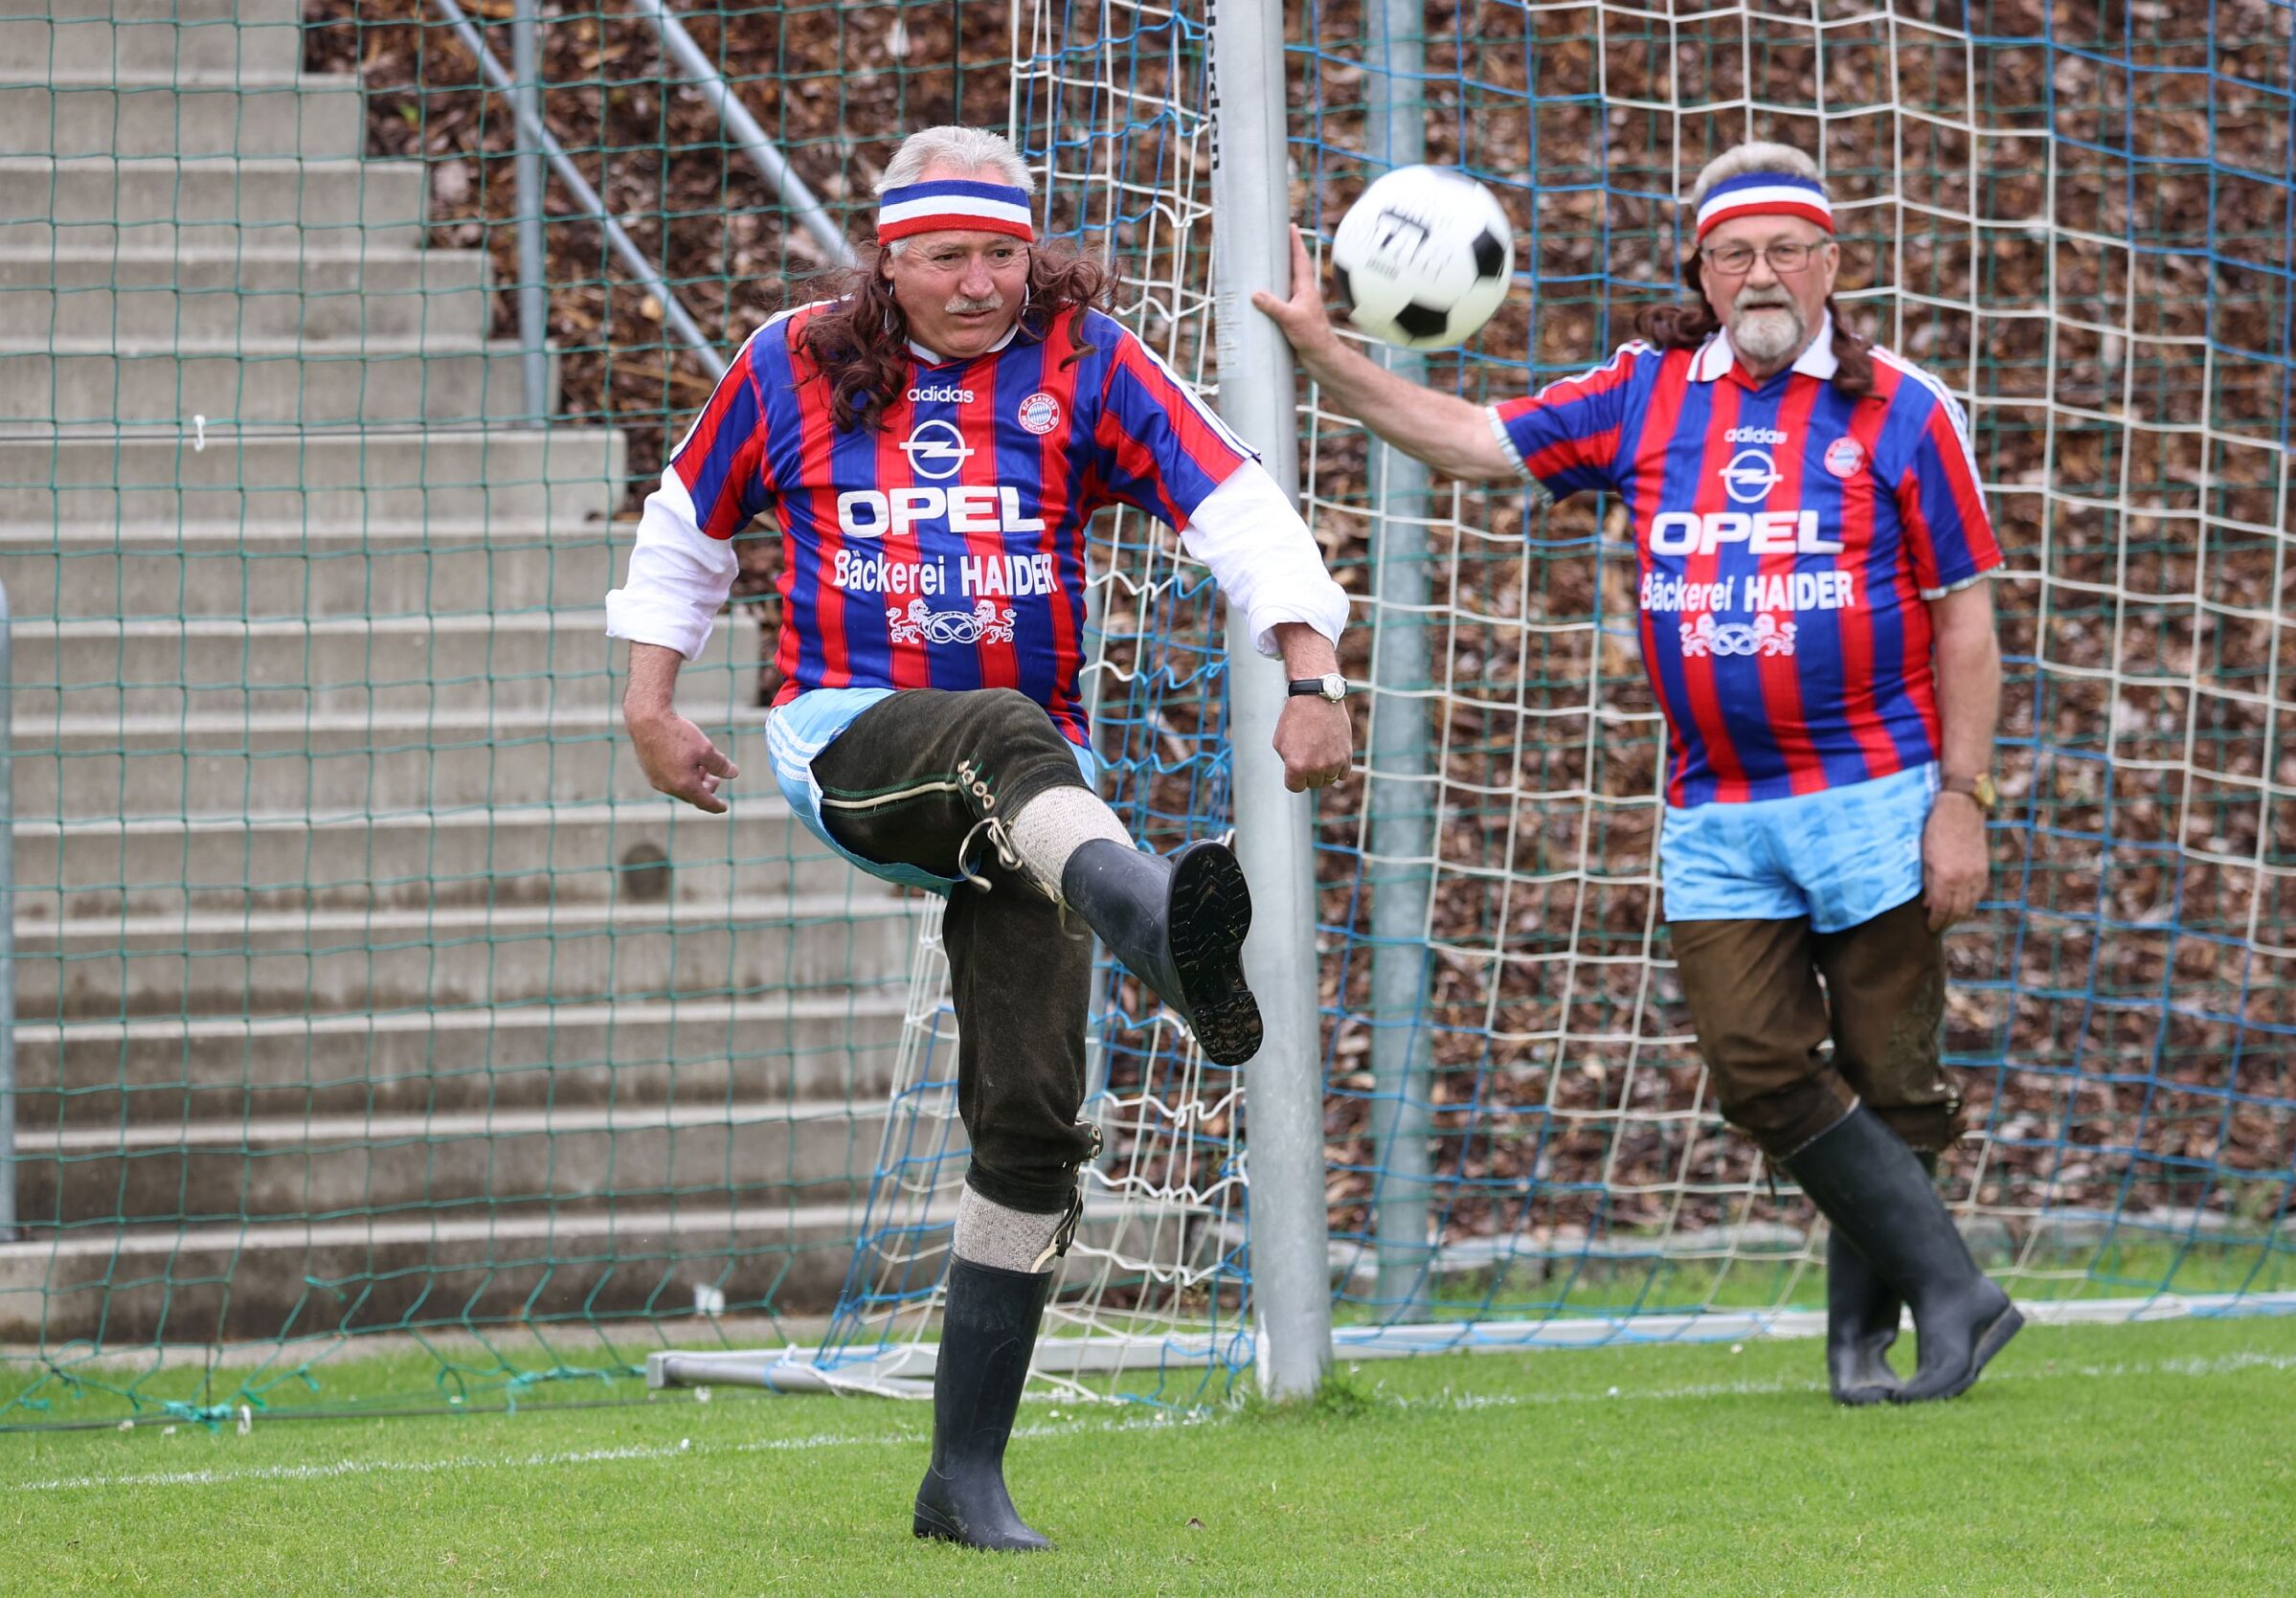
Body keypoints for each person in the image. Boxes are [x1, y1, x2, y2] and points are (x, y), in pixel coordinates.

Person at [607, 125, 1353, 1549]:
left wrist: (1310, 675)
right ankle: (1154, 923)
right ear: (887, 262)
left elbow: (1238, 506)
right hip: (852, 740)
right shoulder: (792, 359)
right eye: (946, 256)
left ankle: (964, 1479)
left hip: (1041, 805)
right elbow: (684, 528)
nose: (978, 282)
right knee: (1004, 731)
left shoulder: (1086, 359)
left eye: (1002, 253)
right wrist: (651, 706)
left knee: (1032, 1115)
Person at [1253, 141, 2020, 1404]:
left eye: (1787, 250)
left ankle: (1867, 1346)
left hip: (1880, 796)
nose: (1762, 273)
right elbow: (1470, 439)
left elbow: (1967, 625)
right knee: (1756, 1065)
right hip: (1716, 808)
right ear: (1702, 273)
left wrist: (1962, 801)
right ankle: (1958, 1289)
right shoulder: (1646, 393)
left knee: (1893, 1078)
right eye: (1735, 253)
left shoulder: (1905, 409)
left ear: (1831, 263)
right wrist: (1324, 351)